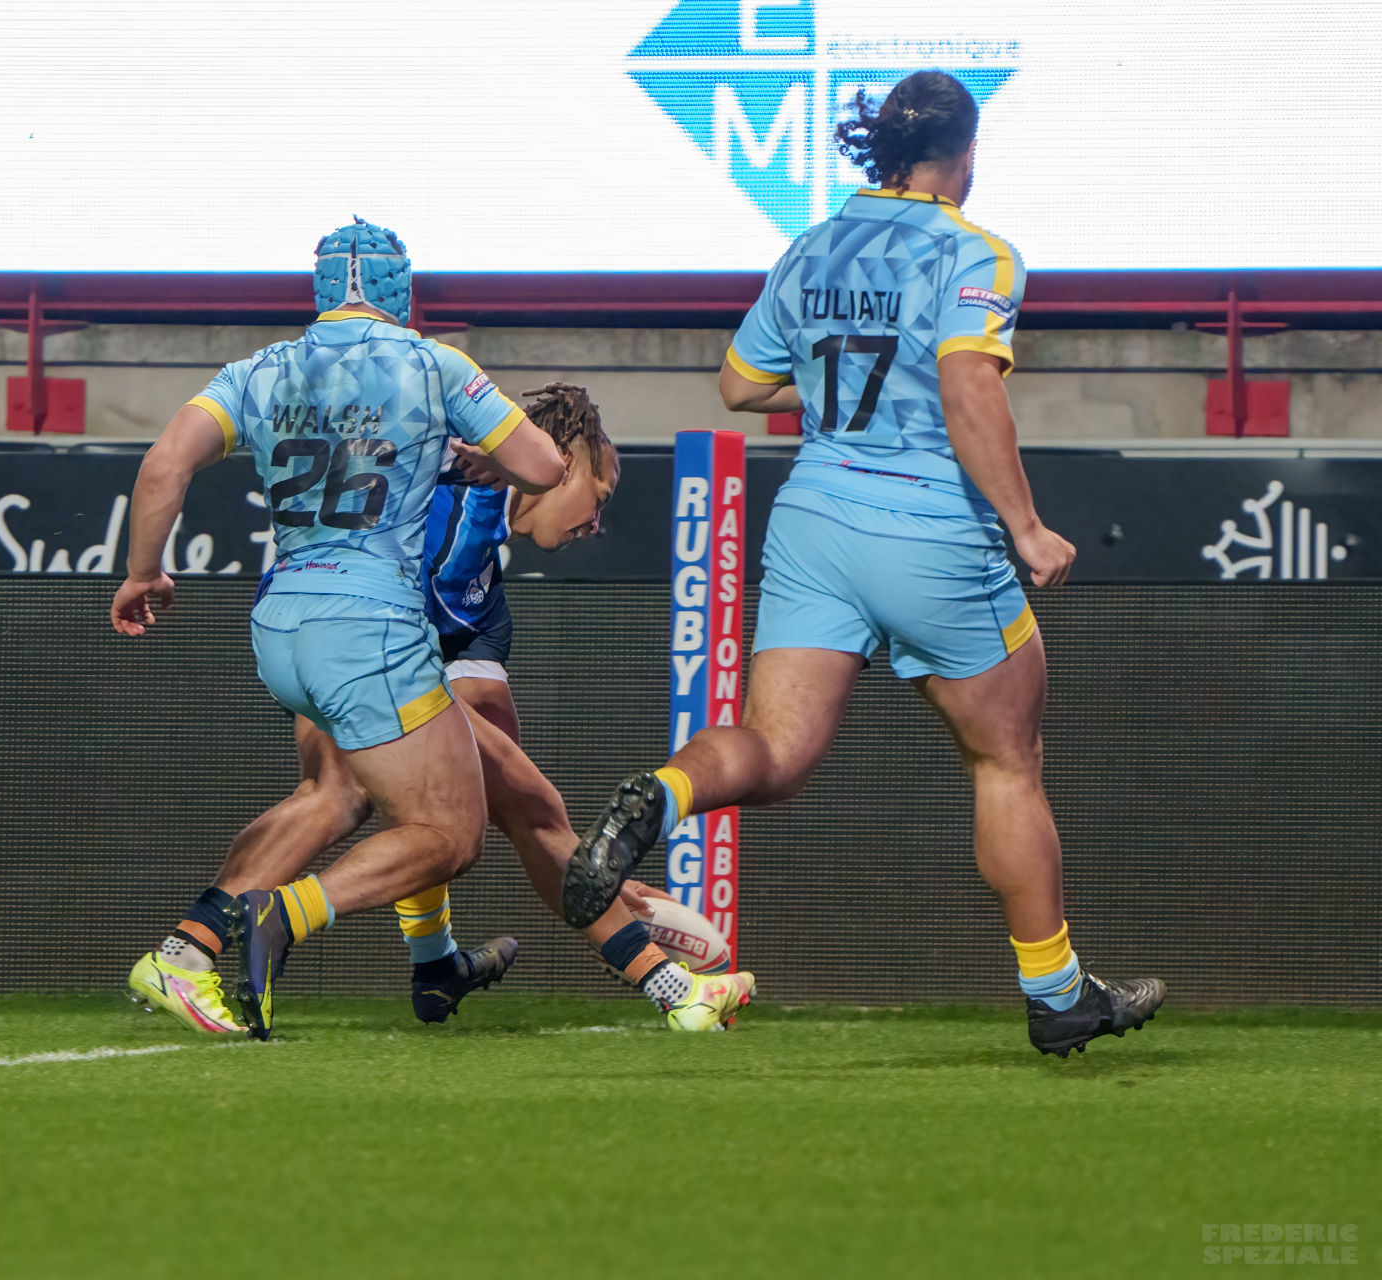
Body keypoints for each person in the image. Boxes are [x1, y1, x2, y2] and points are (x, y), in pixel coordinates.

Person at [560, 71, 1164, 1058]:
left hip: (814, 522)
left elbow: (739, 384)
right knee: (1006, 761)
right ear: (965, 153)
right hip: (930, 531)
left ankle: (660, 796)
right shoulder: (978, 252)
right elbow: (968, 387)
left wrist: (836, 386)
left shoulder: (809, 248)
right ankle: (1058, 994)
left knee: (774, 750)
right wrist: (1025, 525)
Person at [126, 383, 752, 1034]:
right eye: (599, 498)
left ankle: (201, 951)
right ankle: (673, 989)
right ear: (562, 462)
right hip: (336, 628)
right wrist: (588, 877)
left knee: (353, 795)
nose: (596, 524)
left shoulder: (480, 573)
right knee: (468, 809)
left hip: (304, 629)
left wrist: (587, 880)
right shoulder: (452, 499)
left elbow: (488, 753)